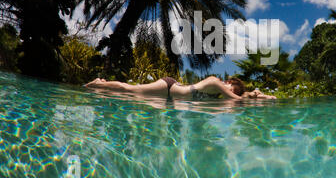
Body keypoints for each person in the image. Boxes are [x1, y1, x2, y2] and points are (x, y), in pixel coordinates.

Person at [84, 76, 277, 100]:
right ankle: (98, 83)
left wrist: (257, 96)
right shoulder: (215, 82)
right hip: (167, 88)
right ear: (228, 84)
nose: (229, 92)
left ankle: (101, 86)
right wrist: (262, 96)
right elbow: (236, 101)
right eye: (232, 89)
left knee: (129, 97)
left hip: (168, 101)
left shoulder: (216, 97)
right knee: (129, 90)